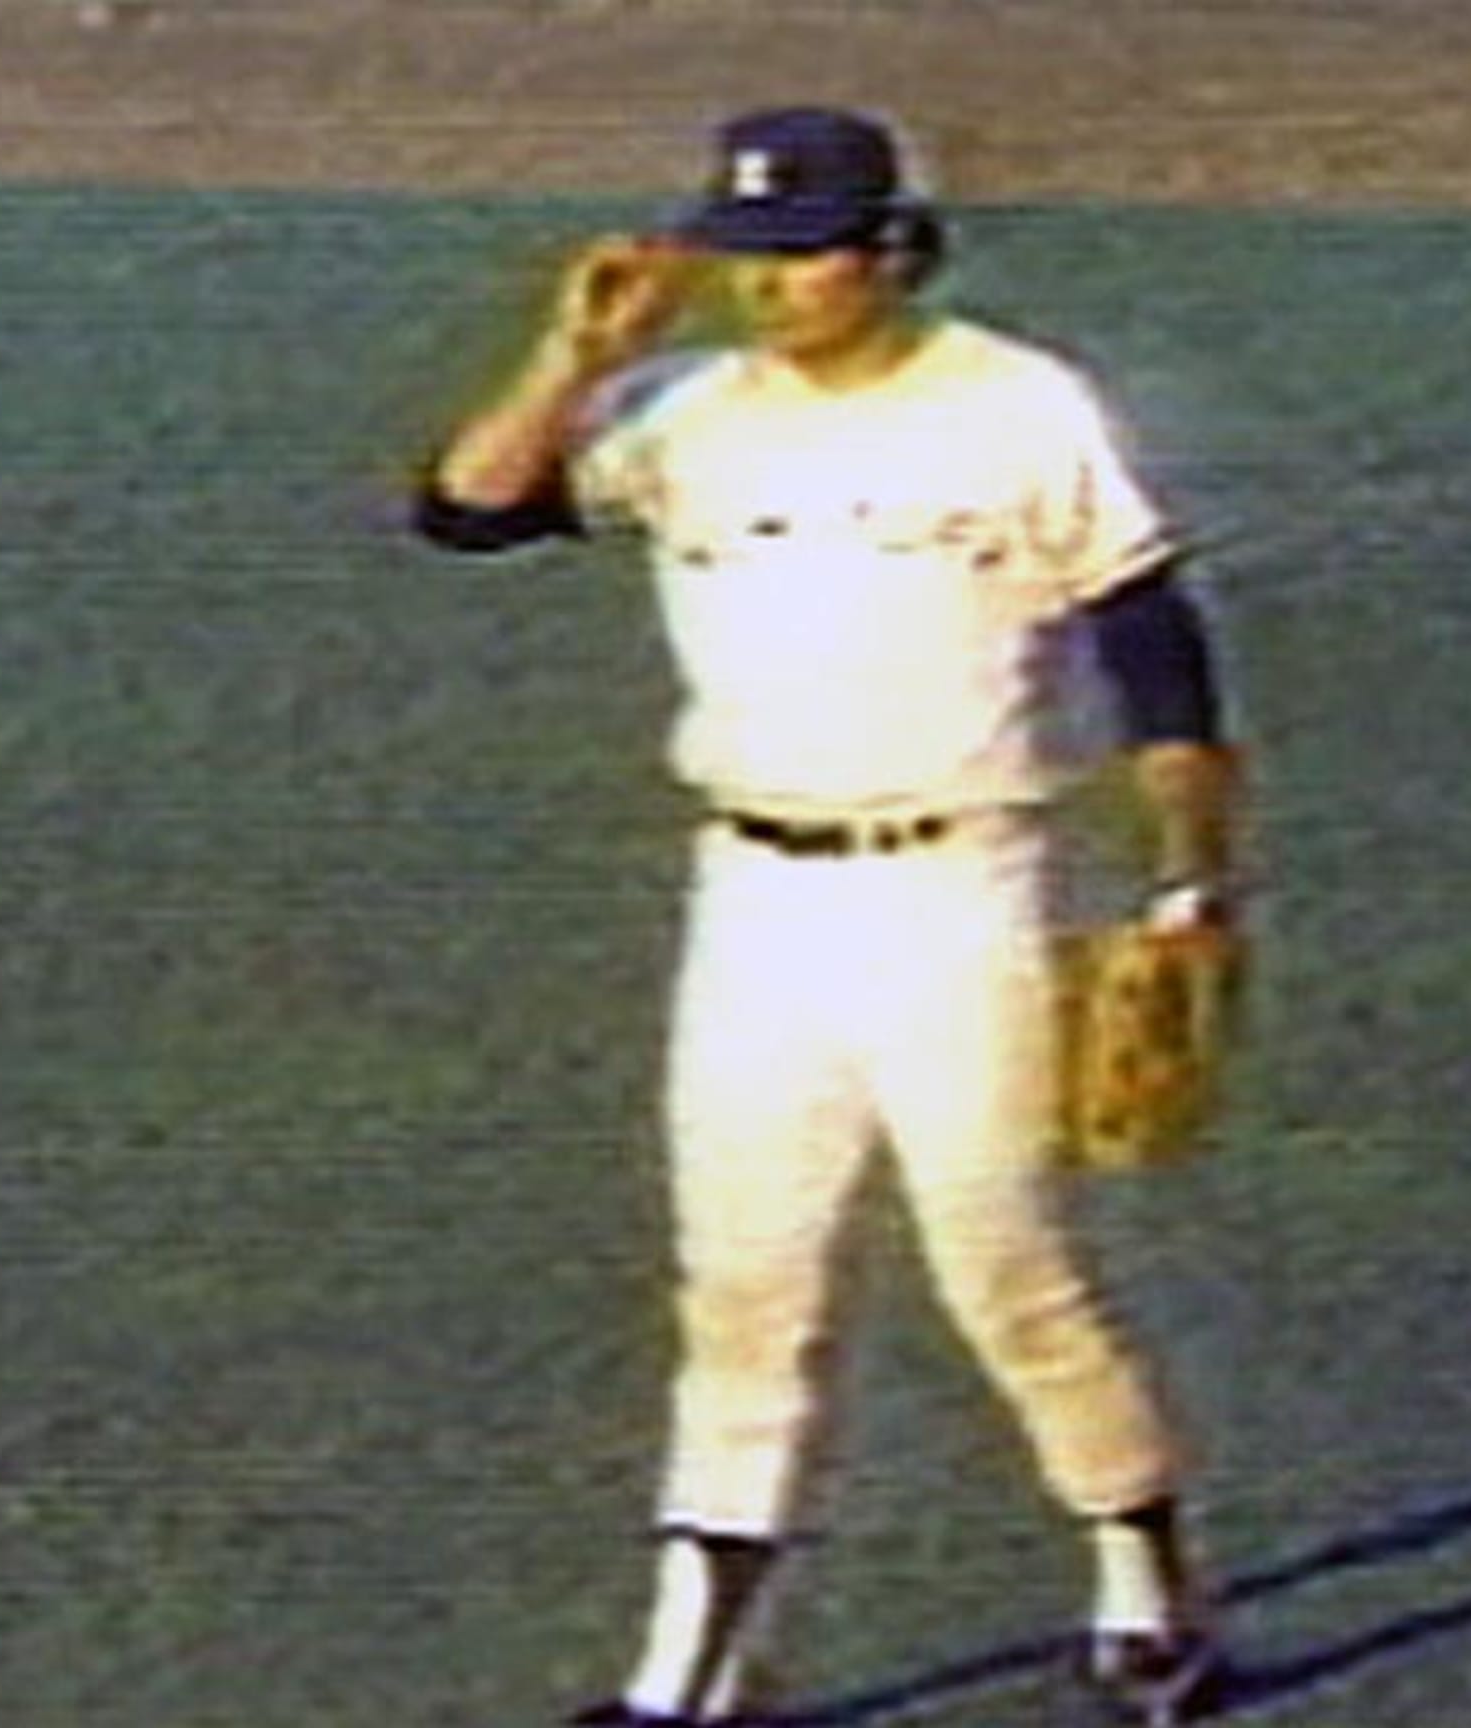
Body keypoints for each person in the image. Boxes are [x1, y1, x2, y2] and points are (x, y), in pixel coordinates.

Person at [410, 107, 1246, 1727]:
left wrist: (1192, 881)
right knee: (740, 1281)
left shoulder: (1014, 406)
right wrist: (572, 355)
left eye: (800, 257)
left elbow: (1155, 644)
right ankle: (689, 1682)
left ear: (892, 253)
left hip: (961, 895)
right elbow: (468, 508)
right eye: (744, 258)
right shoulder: (685, 413)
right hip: (756, 905)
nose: (768, 289)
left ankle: (1150, 1596)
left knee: (1004, 1269)